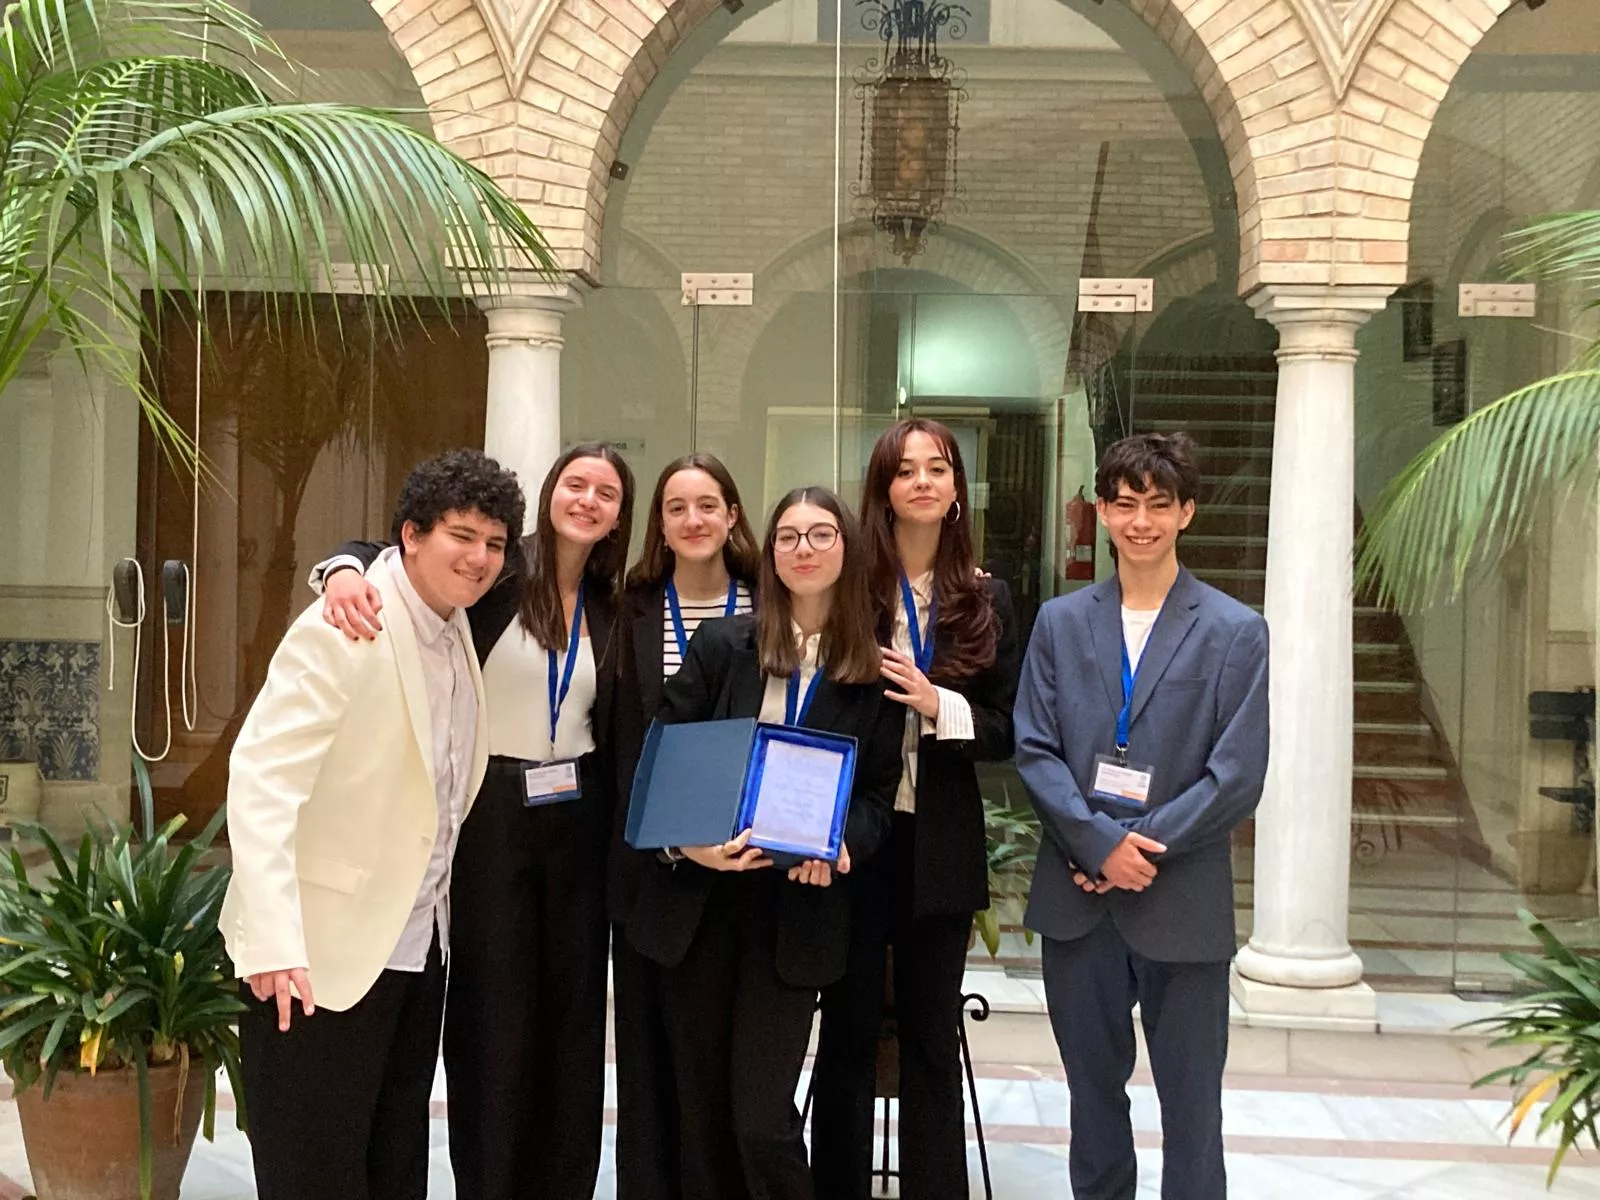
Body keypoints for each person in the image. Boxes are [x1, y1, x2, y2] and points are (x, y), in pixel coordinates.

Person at [313, 443, 635, 1200]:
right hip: (491, 812)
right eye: (576, 484)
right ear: (553, 493)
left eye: (608, 492)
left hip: (579, 817)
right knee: (494, 1018)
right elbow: (379, 549)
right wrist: (340, 571)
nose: (589, 500)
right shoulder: (493, 575)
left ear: (621, 513)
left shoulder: (615, 600)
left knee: (575, 1019)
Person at [220, 448, 523, 1200]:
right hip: (314, 960)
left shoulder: (454, 627)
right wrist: (275, 940)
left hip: (416, 955)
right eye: (462, 536)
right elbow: (261, 782)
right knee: (312, 1176)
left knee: (391, 1172)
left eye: (494, 542)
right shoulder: (345, 625)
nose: (481, 557)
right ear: (411, 536)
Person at [625, 486, 905, 1200]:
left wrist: (841, 846)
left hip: (797, 913)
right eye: (788, 537)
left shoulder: (875, 666)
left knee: (760, 1117)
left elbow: (876, 796)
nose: (803, 550)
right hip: (705, 904)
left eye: (819, 535)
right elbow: (666, 758)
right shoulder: (726, 645)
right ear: (770, 551)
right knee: (701, 1114)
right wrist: (687, 845)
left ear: (847, 548)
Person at [1012, 432, 1269, 1200]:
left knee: (1193, 1113)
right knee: (1093, 1103)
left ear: (1187, 512)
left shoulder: (1233, 630)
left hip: (1181, 900)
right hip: (1078, 902)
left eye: (1159, 505)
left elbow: (1237, 774)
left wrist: (1135, 849)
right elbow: (1034, 748)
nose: (1141, 522)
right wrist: (1097, 846)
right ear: (1101, 510)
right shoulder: (1059, 622)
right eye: (1124, 505)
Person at [811, 419, 1019, 1199]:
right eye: (906, 471)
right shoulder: (849, 585)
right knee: (849, 1028)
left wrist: (940, 704)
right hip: (855, 835)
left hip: (941, 842)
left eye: (938, 468)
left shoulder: (988, 595)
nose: (923, 481)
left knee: (933, 1033)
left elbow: (1005, 729)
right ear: (885, 489)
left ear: (957, 490)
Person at [610, 453, 761, 1200]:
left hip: (746, 874)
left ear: (733, 515)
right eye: (677, 507)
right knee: (647, 1073)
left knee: (725, 1080)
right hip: (651, 870)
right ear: (660, 526)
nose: (694, 519)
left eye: (709, 504)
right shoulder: (626, 608)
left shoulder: (774, 603)